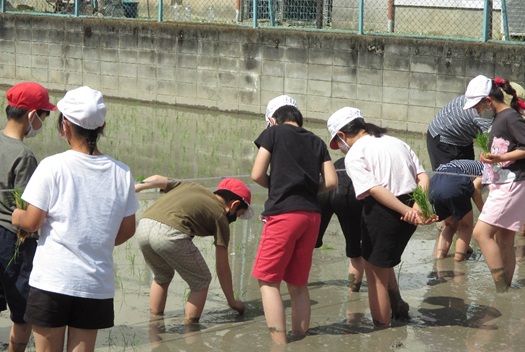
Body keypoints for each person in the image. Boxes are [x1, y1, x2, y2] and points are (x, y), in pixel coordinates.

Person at [11, 86, 139, 351]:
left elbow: (32, 222)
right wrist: (96, 241)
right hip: (95, 284)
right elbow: (127, 230)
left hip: (53, 280)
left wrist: (16, 216)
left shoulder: (53, 166)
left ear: (65, 126)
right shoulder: (122, 173)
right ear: (101, 127)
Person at [327, 106, 433, 327]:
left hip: (384, 212)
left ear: (341, 135)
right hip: (408, 208)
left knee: (376, 279)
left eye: (338, 144)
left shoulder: (355, 154)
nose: (340, 149)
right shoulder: (396, 142)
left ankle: (382, 334)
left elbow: (374, 189)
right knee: (381, 266)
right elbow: (422, 176)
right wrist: (417, 206)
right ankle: (396, 310)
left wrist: (408, 212)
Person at [251, 99, 338, 344]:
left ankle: (279, 344)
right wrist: (307, 193)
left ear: (273, 121)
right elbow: (332, 181)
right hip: (312, 216)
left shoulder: (274, 134)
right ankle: (301, 337)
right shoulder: (317, 141)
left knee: (268, 281)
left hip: (284, 215)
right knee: (298, 283)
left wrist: (278, 189)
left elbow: (257, 174)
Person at [134, 176, 252, 324]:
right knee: (201, 281)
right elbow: (222, 268)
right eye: (239, 214)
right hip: (169, 233)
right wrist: (232, 301)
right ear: (234, 205)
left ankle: (155, 325)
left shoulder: (190, 185)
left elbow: (158, 178)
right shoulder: (221, 216)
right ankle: (191, 331)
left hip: (144, 226)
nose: (236, 218)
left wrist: (136, 187)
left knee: (162, 276)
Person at [0, 82, 56, 352]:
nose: (43, 121)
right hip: (13, 240)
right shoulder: (24, 156)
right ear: (32, 115)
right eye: (44, 115)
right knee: (22, 309)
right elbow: (25, 209)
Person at [462, 75, 525, 292]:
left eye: (479, 105)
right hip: (505, 182)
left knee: (481, 233)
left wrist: (498, 159)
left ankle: (500, 289)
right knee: (505, 239)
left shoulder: (510, 118)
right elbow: (506, 148)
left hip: (512, 183)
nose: (478, 110)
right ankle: (506, 290)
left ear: (488, 100)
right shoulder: (500, 118)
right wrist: (493, 157)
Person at [316, 157, 365, 292]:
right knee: (355, 252)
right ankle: (353, 294)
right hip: (348, 192)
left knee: (306, 244)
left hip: (325, 184)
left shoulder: (346, 157)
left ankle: (296, 287)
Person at [428, 159, 484, 262]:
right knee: (466, 226)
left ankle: (439, 259)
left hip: (435, 185)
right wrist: (484, 213)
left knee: (449, 225)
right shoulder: (489, 169)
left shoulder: (471, 165)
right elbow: (475, 188)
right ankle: (459, 261)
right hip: (455, 183)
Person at [427, 95, 492, 170]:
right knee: (446, 176)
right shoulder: (483, 113)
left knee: (469, 174)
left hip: (463, 137)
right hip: (443, 138)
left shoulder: (485, 96)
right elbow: (494, 149)